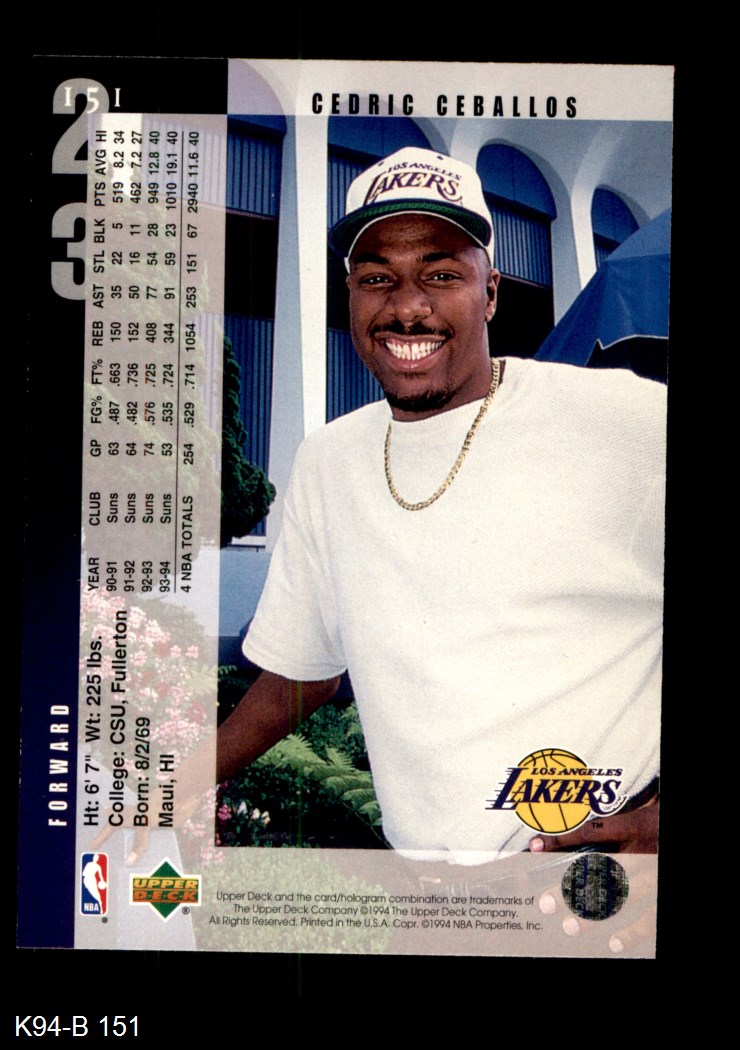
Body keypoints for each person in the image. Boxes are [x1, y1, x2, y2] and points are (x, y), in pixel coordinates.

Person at [218, 147, 665, 863]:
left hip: (595, 891)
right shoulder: (328, 461)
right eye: (377, 278)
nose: (407, 307)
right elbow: (301, 673)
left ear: (490, 293)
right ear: (350, 296)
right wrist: (169, 785)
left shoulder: (624, 420)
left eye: (441, 275)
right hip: (428, 892)